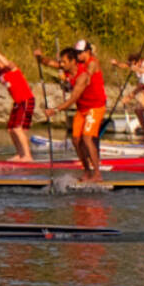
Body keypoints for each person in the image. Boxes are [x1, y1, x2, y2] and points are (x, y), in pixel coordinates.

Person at [36, 43, 107, 182]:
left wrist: (55, 110)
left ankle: (97, 174)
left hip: (95, 107)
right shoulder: (68, 69)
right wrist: (39, 58)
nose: (61, 64)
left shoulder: (82, 75)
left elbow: (72, 99)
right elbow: (50, 63)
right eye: (61, 62)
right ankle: (87, 171)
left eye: (64, 62)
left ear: (73, 62)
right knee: (75, 140)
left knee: (87, 138)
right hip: (82, 109)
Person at [111, 51, 144, 145]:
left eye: (133, 65)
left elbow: (141, 85)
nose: (132, 67)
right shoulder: (134, 64)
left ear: (138, 62)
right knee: (138, 110)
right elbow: (125, 65)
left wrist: (129, 97)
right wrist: (116, 63)